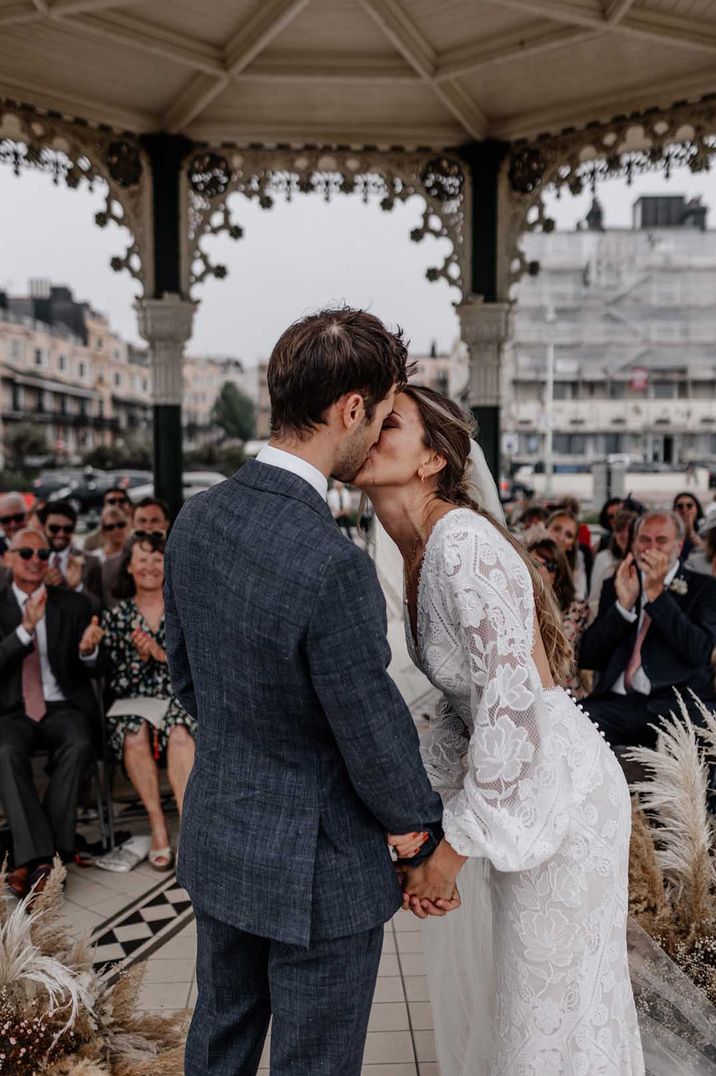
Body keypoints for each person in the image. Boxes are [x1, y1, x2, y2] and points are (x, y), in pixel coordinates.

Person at [165, 309, 447, 1076]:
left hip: (223, 837)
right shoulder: (332, 561)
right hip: (319, 869)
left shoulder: (195, 521)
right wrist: (420, 834)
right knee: (314, 1063)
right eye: (384, 412)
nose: (381, 428)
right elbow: (369, 729)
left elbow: (186, 677)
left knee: (219, 1044)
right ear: (351, 408)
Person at [354, 384, 643, 1075]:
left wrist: (450, 850)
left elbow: (512, 706)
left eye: (389, 423)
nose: (367, 430)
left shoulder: (460, 544)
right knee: (535, 1003)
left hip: (560, 794)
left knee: (551, 1009)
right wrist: (423, 826)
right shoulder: (419, 550)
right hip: (528, 785)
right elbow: (464, 713)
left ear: (432, 461)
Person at [82, 534, 195, 872]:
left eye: (157, 559)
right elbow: (100, 670)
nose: (149, 567)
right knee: (132, 731)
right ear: (129, 566)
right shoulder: (115, 617)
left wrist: (161, 655)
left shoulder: (182, 609)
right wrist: (90, 648)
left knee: (179, 730)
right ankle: (158, 824)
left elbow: (197, 667)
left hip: (176, 696)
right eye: (142, 559)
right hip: (133, 700)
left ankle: (190, 830)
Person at [0, 527, 97, 900]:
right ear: (9, 557)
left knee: (80, 741)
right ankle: (47, 861)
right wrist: (25, 632)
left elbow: (94, 666)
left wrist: (89, 651)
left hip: (60, 705)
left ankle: (32, 861)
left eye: (43, 554)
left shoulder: (71, 603)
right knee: (5, 752)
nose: (36, 560)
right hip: (11, 709)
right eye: (26, 553)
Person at [580, 510, 716, 751]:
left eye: (661, 540)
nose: (650, 547)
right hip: (618, 704)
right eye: (644, 540)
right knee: (571, 722)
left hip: (678, 705)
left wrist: (657, 595)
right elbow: (588, 656)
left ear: (679, 545)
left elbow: (699, 653)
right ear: (633, 544)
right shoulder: (616, 584)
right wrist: (623, 608)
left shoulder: (704, 588)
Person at [528, 536, 589, 697]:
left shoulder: (575, 608)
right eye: (531, 563)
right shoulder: (517, 604)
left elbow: (558, 651)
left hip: (563, 691)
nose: (536, 570)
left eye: (545, 565)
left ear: (557, 574)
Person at [38, 500, 103, 607]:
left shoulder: (91, 562)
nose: (61, 534)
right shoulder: (31, 560)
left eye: (67, 529)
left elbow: (98, 607)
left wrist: (78, 588)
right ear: (42, 527)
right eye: (54, 528)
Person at [587, 507, 638, 621]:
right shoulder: (604, 558)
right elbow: (594, 599)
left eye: (628, 530)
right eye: (619, 530)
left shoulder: (642, 561)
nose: (624, 535)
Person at [547, 508, 591, 599]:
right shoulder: (524, 558)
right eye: (557, 529)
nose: (561, 537)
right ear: (546, 528)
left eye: (569, 535)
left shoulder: (576, 572)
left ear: (572, 545)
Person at [83, 487, 133, 552]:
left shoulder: (138, 536)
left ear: (128, 505)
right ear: (105, 505)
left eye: (121, 501)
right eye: (112, 501)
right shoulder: (92, 541)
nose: (117, 504)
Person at [673, 490, 705, 561]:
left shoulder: (705, 529)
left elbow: (709, 552)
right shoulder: (668, 530)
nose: (684, 509)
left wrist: (691, 532)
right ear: (674, 511)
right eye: (680, 506)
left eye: (689, 506)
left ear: (697, 510)